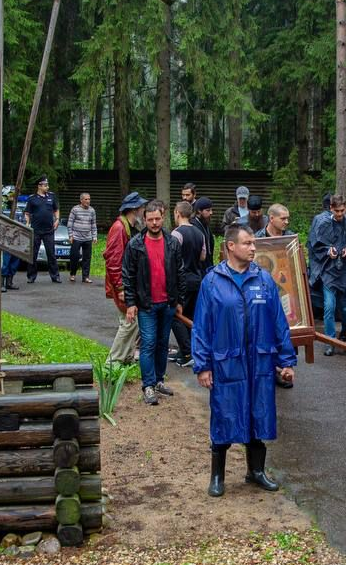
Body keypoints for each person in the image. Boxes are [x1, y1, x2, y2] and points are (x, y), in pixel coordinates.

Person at [192, 224, 297, 497]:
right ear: (230, 246)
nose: (253, 248)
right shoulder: (213, 282)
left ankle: (256, 471)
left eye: (253, 243)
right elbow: (202, 326)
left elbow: (279, 323)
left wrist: (286, 361)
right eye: (248, 243)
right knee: (225, 415)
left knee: (258, 414)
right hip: (227, 362)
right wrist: (202, 365)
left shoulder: (263, 280)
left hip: (259, 362)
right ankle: (217, 476)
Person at [122, 199, 182, 406]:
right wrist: (131, 303)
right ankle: (148, 385)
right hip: (146, 304)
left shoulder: (172, 243)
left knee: (163, 344)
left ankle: (158, 380)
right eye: (150, 220)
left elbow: (179, 272)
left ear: (163, 217)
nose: (155, 223)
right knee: (148, 343)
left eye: (158, 219)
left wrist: (178, 300)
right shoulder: (135, 244)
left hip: (167, 303)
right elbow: (128, 275)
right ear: (144, 220)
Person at [309, 194, 346, 355]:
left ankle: (345, 330)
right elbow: (314, 245)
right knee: (329, 306)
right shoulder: (322, 224)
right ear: (330, 208)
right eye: (336, 211)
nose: (340, 214)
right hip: (329, 271)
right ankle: (330, 341)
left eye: (342, 210)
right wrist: (328, 251)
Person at [103, 192, 144, 365]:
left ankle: (126, 357)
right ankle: (112, 362)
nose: (143, 211)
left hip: (127, 283)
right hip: (121, 285)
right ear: (134, 209)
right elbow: (113, 260)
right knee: (129, 321)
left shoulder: (127, 226)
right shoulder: (119, 228)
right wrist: (120, 288)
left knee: (130, 321)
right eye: (142, 208)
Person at [168, 200, 206, 367]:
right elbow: (203, 256)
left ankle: (187, 351)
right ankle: (191, 350)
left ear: (177, 213)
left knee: (175, 315)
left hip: (181, 281)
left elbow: (170, 258)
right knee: (189, 316)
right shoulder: (200, 233)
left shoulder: (177, 234)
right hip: (197, 279)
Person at [25, 176, 61, 283]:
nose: (47, 187)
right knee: (33, 254)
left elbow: (56, 209)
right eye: (45, 185)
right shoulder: (32, 198)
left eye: (47, 185)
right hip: (36, 230)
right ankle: (31, 276)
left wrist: (57, 219)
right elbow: (27, 213)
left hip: (49, 230)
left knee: (51, 254)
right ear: (39, 186)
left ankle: (55, 276)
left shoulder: (51, 196)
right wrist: (27, 223)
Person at [66, 192, 97, 284]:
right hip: (76, 237)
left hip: (87, 238)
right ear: (81, 200)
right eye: (86, 199)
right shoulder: (75, 209)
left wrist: (94, 236)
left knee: (87, 258)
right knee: (74, 257)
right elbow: (70, 223)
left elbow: (93, 224)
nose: (88, 201)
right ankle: (72, 274)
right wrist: (70, 235)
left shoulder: (92, 211)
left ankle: (86, 277)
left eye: (89, 199)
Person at [0, 186, 25, 292]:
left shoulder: (19, 210)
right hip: (5, 240)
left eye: (15, 195)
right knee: (5, 262)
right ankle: (1, 283)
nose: (13, 197)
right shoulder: (2, 209)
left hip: (17, 240)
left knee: (15, 261)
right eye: (11, 195)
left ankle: (10, 282)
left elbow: (23, 223)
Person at [193, 197, 216, 275]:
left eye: (211, 210)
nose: (211, 213)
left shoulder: (205, 224)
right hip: (199, 270)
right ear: (199, 211)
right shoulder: (194, 226)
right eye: (208, 210)